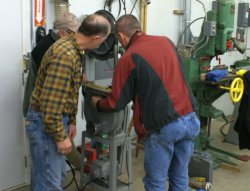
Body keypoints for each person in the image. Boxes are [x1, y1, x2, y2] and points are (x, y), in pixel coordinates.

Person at [91, 14, 200, 191]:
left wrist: (97, 103)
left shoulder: (128, 58)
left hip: (165, 126)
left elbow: (115, 103)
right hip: (191, 119)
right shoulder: (166, 41)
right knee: (179, 176)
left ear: (120, 37)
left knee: (155, 182)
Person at [25, 13, 111, 191]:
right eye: (102, 41)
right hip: (46, 123)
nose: (101, 45)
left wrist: (71, 121)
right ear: (95, 38)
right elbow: (50, 106)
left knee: (46, 178)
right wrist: (59, 136)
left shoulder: (74, 49)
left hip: (53, 121)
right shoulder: (65, 54)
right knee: (50, 183)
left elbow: (69, 92)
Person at [23, 12, 80, 117]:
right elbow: (54, 89)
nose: (77, 37)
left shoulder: (52, 42)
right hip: (39, 114)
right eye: (74, 33)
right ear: (63, 33)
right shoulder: (49, 48)